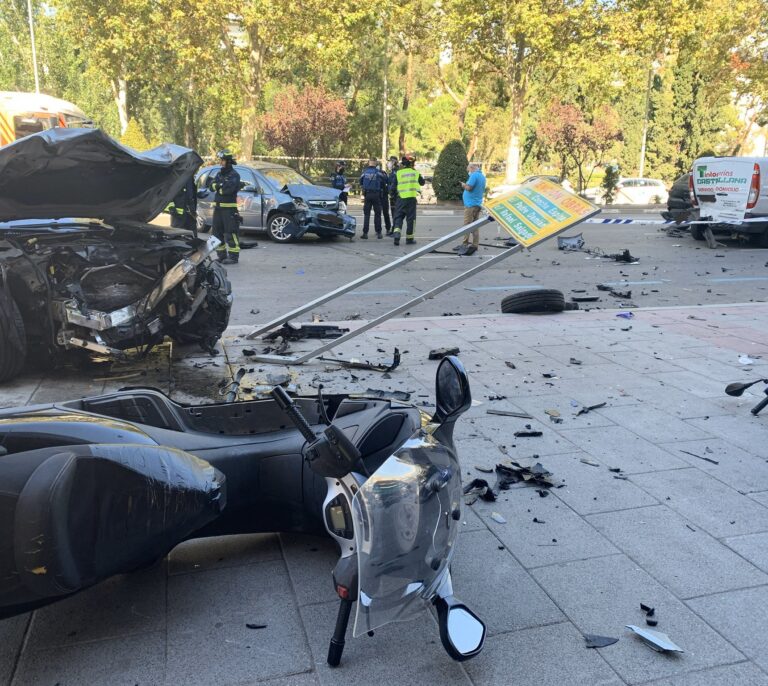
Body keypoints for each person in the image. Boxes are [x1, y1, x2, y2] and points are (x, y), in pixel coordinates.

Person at [210, 149, 241, 265]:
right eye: (220, 160)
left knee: (231, 232)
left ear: (228, 161)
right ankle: (221, 256)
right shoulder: (219, 174)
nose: (220, 162)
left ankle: (233, 257)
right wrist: (219, 186)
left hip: (229, 209)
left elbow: (228, 190)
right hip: (218, 209)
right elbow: (211, 186)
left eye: (222, 160)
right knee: (216, 233)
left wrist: (219, 187)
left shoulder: (234, 175)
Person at [391, 153, 425, 246]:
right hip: (411, 200)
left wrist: (393, 198)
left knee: (398, 217)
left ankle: (397, 234)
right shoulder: (415, 173)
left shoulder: (398, 173)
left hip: (400, 199)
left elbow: (393, 188)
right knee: (411, 219)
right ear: (412, 164)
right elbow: (422, 182)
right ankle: (409, 239)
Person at [457, 162, 487, 255]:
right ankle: (475, 244)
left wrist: (463, 185)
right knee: (475, 225)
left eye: (468, 170)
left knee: (467, 224)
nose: (468, 172)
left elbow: (469, 188)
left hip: (470, 205)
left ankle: (465, 244)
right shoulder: (482, 176)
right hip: (477, 203)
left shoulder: (474, 175)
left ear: (472, 168)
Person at [359, 157, 384, 239]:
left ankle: (365, 233)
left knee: (367, 214)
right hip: (376, 194)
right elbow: (384, 181)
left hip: (368, 194)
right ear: (376, 163)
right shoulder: (379, 172)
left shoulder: (364, 172)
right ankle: (379, 232)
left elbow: (360, 181)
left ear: (369, 162)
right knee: (377, 214)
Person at [377, 161, 391, 234]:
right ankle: (388, 229)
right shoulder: (384, 173)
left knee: (378, 214)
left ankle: (378, 230)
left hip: (378, 196)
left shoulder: (375, 174)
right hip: (384, 195)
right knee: (386, 213)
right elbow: (388, 183)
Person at [386, 156, 398, 235]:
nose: (388, 163)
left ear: (394, 162)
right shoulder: (392, 171)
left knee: (396, 214)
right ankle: (393, 229)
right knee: (393, 213)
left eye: (390, 161)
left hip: (396, 195)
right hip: (392, 195)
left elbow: (394, 184)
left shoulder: (396, 171)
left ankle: (395, 230)